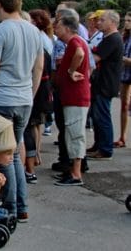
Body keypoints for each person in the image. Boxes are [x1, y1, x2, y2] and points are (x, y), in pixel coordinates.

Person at [0, 0, 44, 223]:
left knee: (3, 157)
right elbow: (38, 67)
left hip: (1, 100)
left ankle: (10, 207)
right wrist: (31, 93)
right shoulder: (34, 31)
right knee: (14, 153)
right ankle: (21, 205)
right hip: (24, 99)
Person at [53, 11, 90, 186]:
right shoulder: (75, 42)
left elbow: (80, 54)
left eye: (58, 26)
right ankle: (73, 170)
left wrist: (70, 70)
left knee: (75, 133)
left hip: (75, 96)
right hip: (72, 96)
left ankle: (76, 173)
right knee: (72, 132)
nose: (55, 29)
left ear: (67, 28)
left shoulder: (75, 41)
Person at [88, 10, 124, 160]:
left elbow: (95, 58)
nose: (98, 23)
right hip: (102, 82)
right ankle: (99, 144)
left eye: (102, 20)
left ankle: (105, 148)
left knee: (102, 116)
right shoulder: (109, 38)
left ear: (112, 23)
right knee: (97, 116)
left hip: (106, 83)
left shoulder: (112, 39)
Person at [23, 9, 53, 184]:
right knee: (33, 126)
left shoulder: (37, 43)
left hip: (33, 90)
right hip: (36, 90)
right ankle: (33, 161)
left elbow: (39, 69)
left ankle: (30, 165)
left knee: (30, 127)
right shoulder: (40, 41)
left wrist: (32, 92)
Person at [115, 12, 131, 148]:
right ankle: (122, 136)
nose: (126, 23)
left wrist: (123, 59)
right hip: (125, 75)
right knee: (124, 105)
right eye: (125, 20)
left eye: (129, 21)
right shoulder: (124, 36)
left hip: (127, 71)